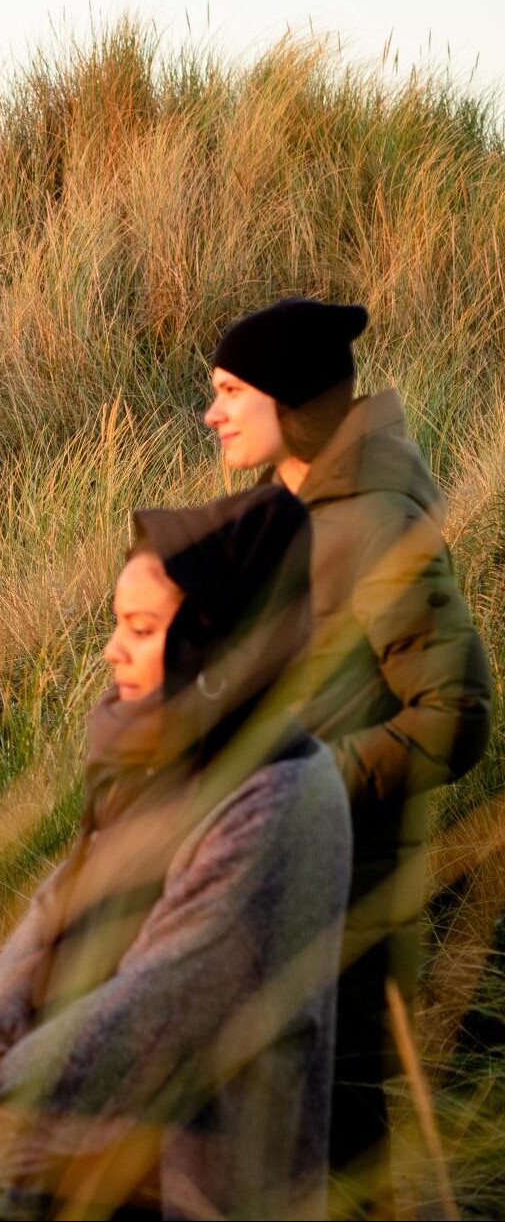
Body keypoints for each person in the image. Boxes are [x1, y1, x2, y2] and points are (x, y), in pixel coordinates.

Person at [0, 486, 352, 1220]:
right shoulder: (148, 755)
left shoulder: (282, 793)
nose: (111, 649)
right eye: (115, 623)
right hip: (53, 1161)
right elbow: (55, 910)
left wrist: (14, 1088)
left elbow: (162, 1002)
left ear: (214, 643)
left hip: (184, 1189)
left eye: (138, 627)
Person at [203, 296, 494, 1204]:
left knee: (334, 1142)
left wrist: (312, 780)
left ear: (289, 403)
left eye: (226, 391)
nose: (209, 412)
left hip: (339, 884)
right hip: (257, 870)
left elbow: (456, 713)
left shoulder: (374, 523)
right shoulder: (279, 508)